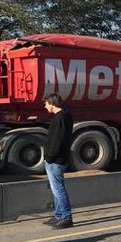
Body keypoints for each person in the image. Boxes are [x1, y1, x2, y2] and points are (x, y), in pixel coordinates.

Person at [43, 94, 75, 228]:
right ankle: (58, 215)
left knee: (58, 189)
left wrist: (49, 156)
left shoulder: (60, 118)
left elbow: (58, 140)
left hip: (56, 160)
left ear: (52, 103)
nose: (45, 106)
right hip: (56, 159)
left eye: (46, 103)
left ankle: (66, 217)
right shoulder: (63, 116)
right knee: (56, 189)